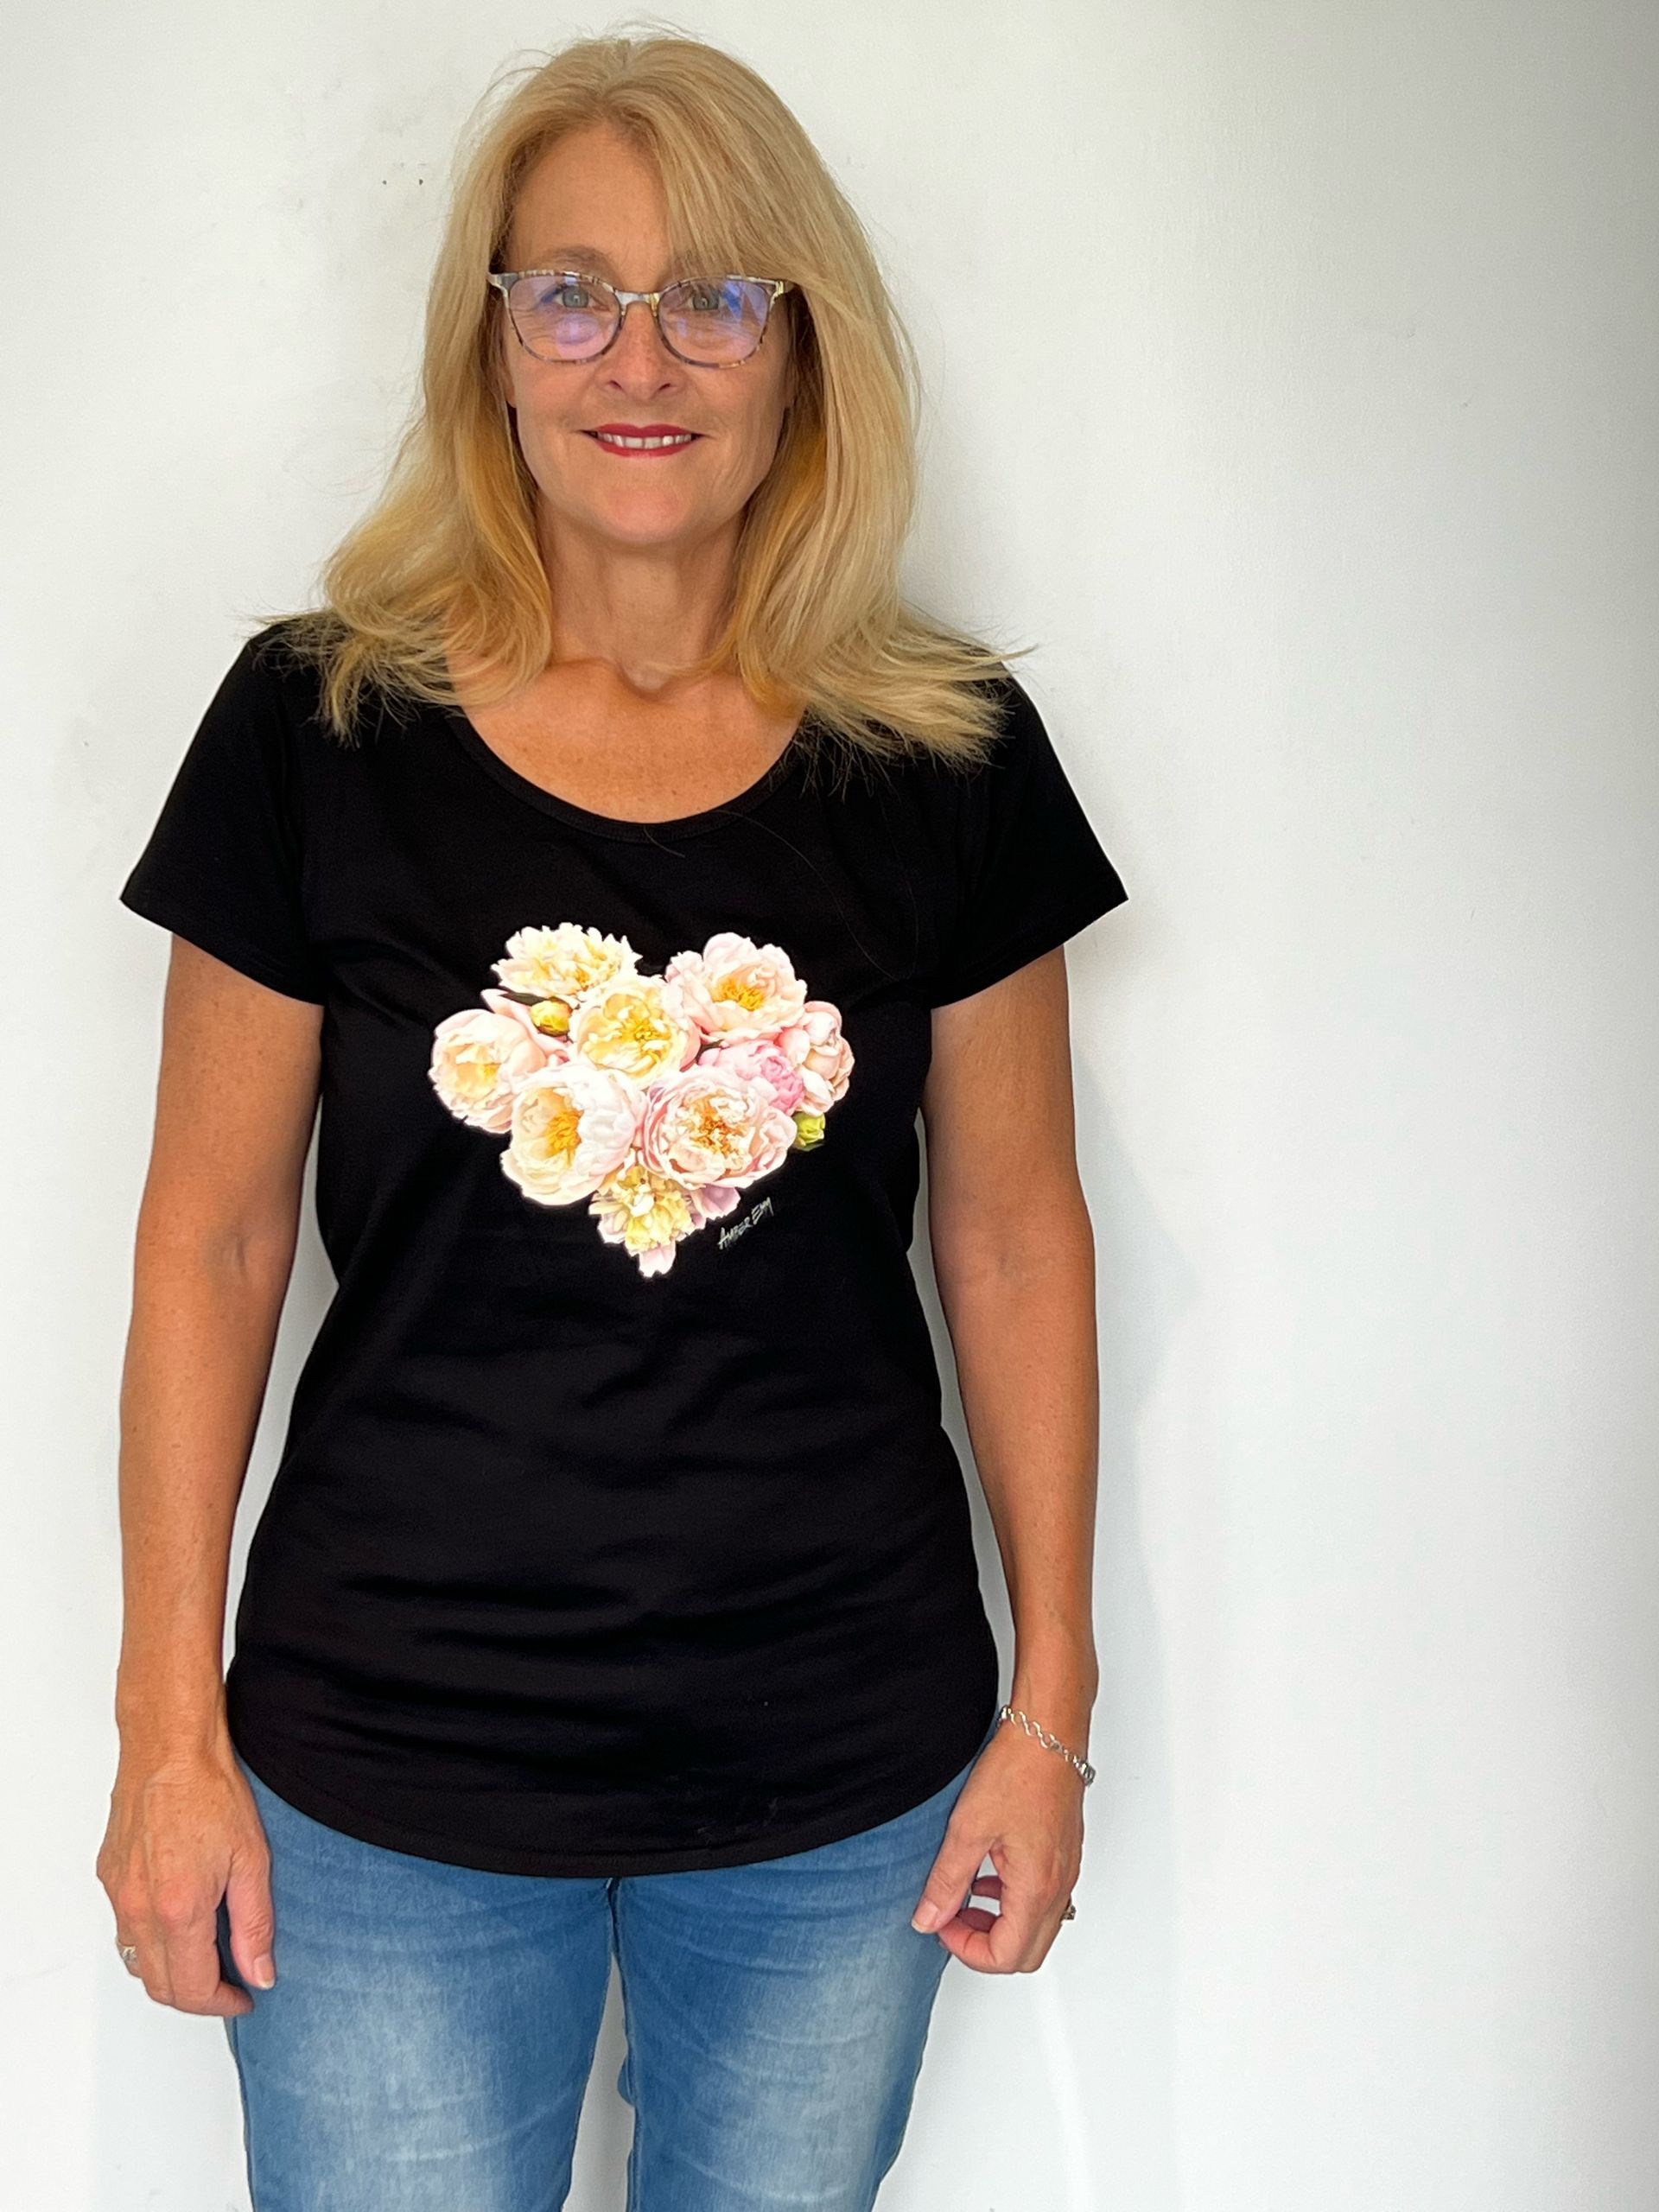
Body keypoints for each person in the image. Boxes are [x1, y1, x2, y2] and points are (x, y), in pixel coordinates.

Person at [99, 28, 1128, 2212]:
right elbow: (208, 1239)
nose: (638, 358)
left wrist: (1052, 1703)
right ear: (489, 345)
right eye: (569, 293)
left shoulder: (946, 756)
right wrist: (164, 1732)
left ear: (800, 347)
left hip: (842, 1776)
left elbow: (1017, 1237)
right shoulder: (315, 728)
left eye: (713, 295)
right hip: (386, 1772)